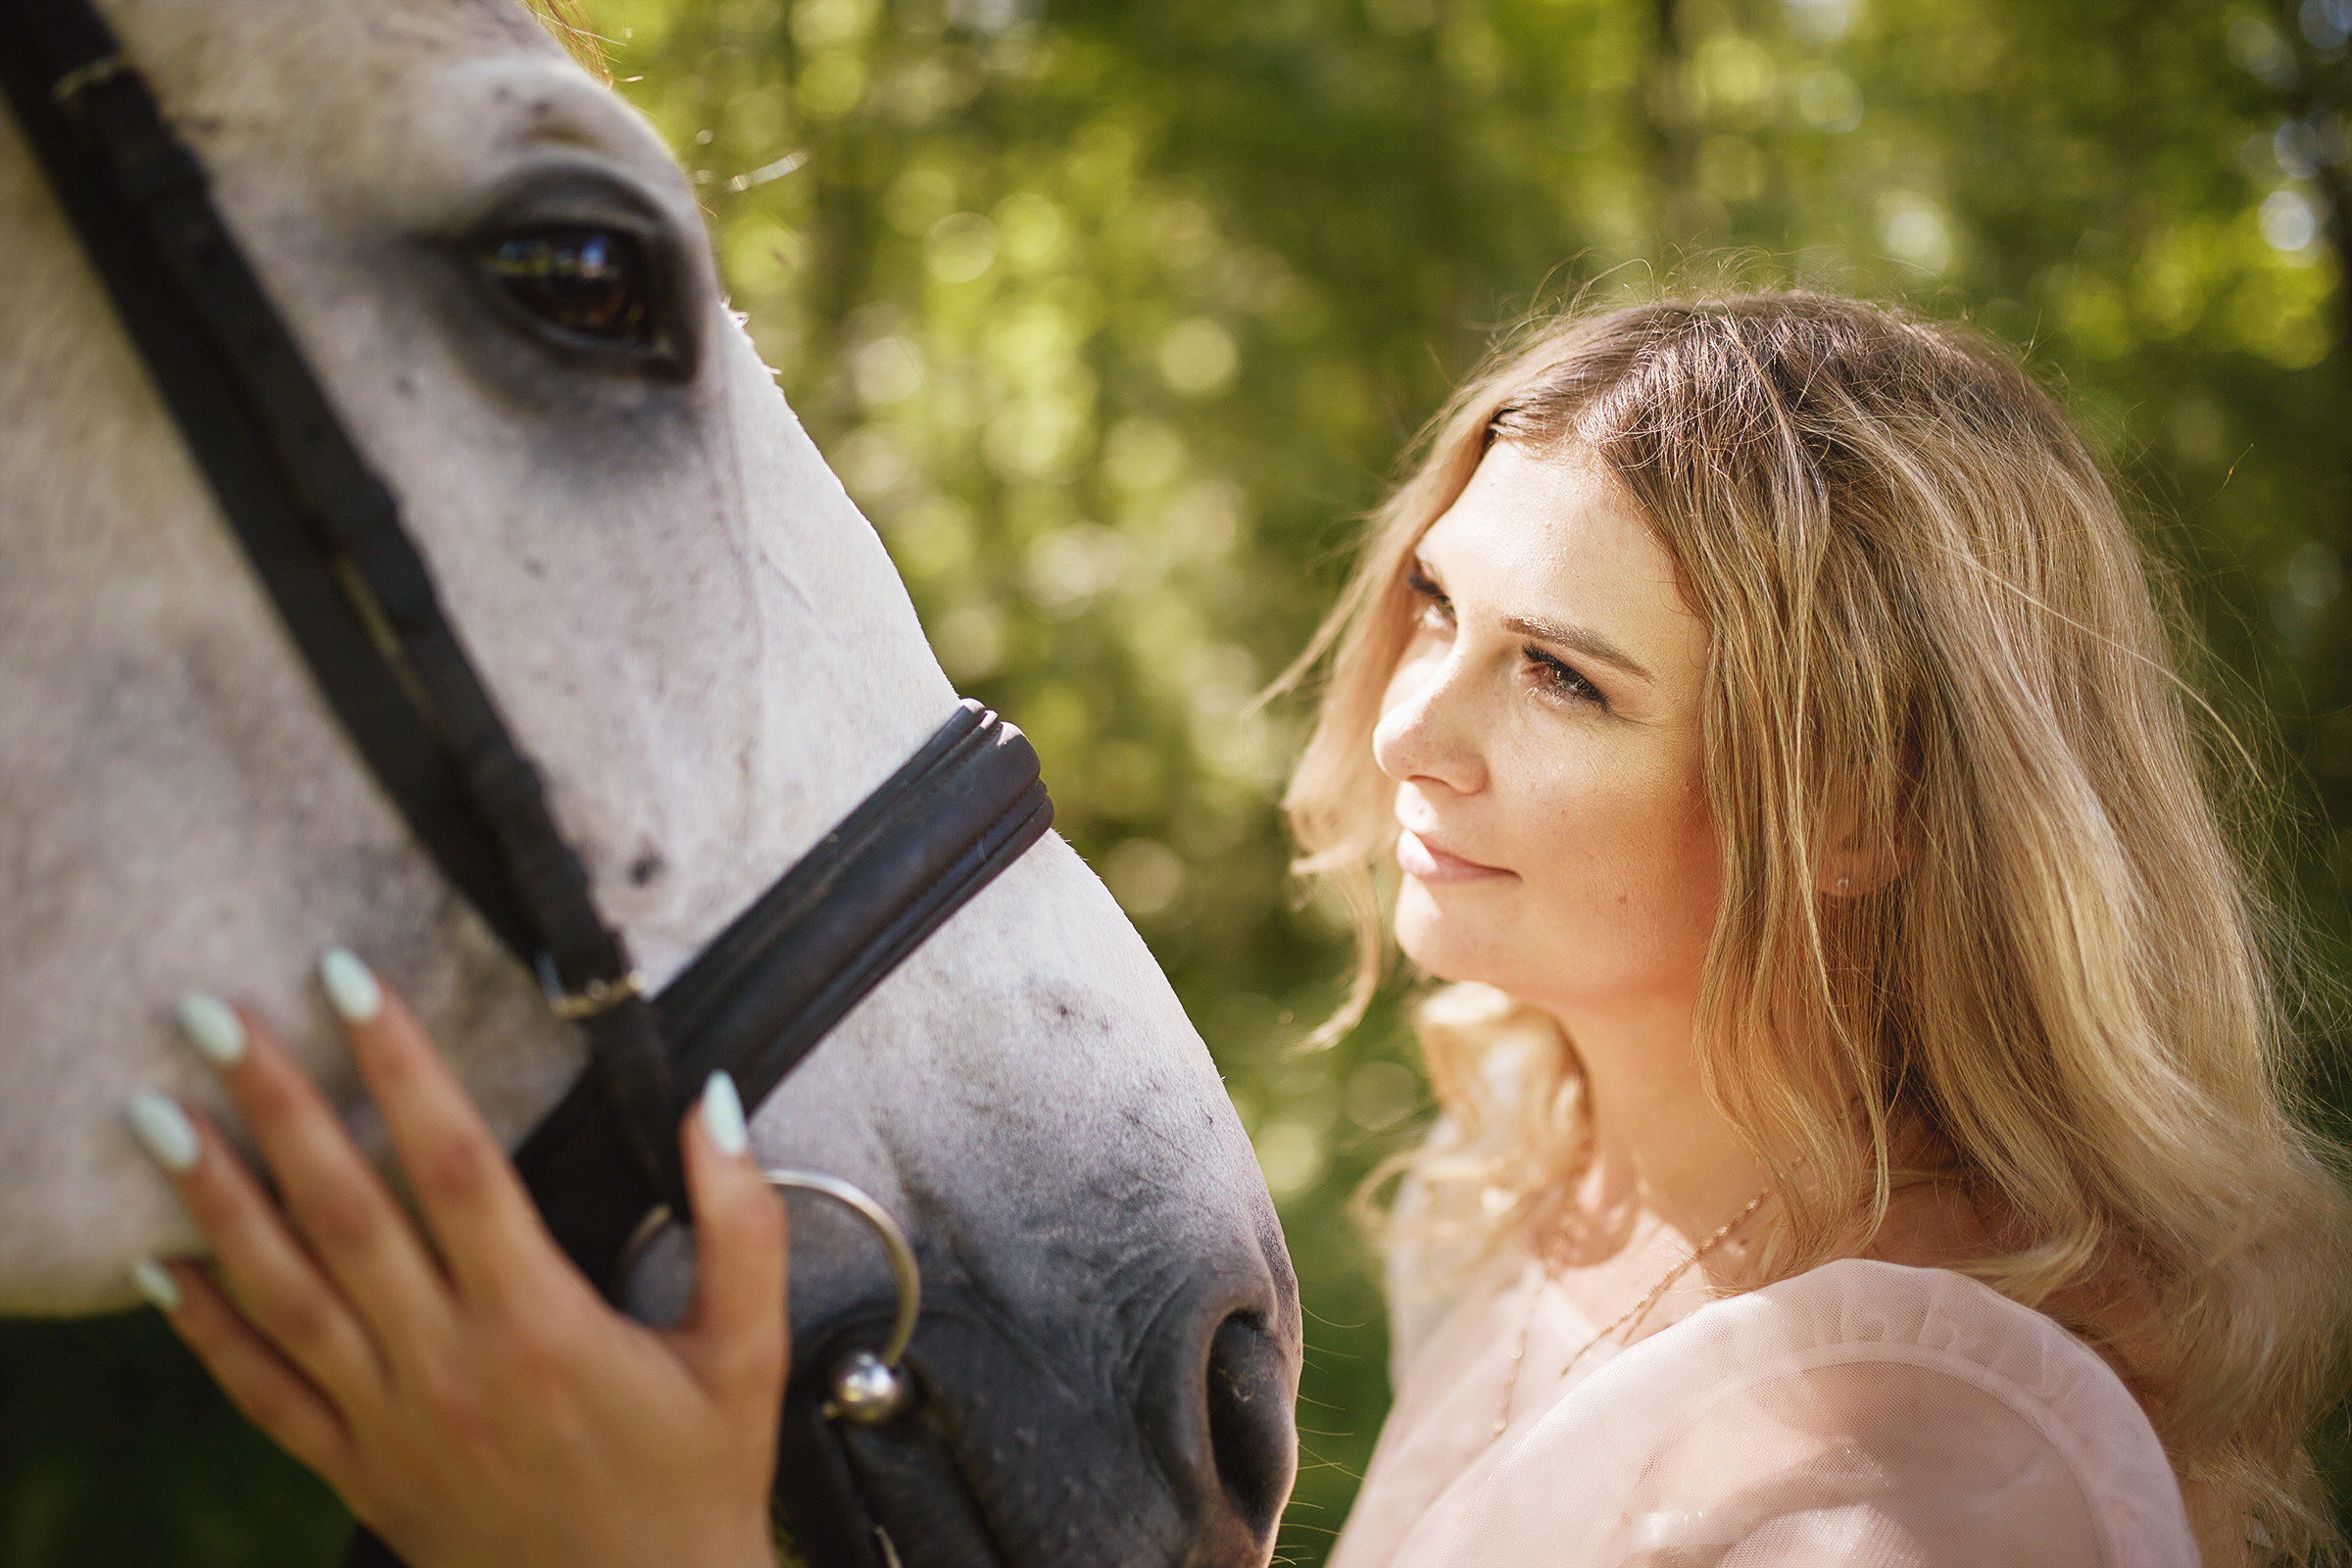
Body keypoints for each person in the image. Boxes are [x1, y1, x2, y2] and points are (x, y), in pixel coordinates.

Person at [122, 291, 2352, 1567]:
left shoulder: (1935, 1490)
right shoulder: (1547, 1204)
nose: (1407, 723)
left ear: (1858, 804)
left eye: (1561, 676)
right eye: (1436, 613)